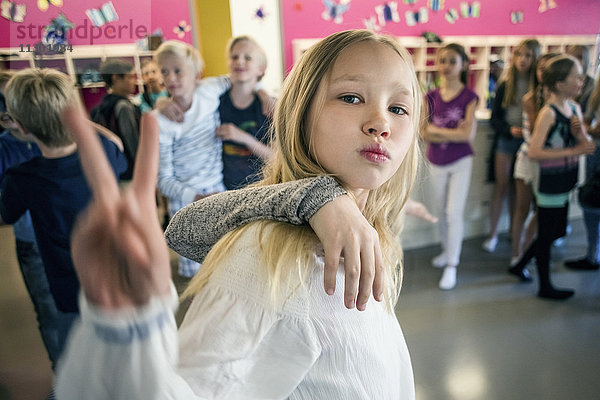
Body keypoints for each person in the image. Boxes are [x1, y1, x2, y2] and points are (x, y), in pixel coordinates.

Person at [56, 30, 424, 399]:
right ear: (300, 114)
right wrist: (128, 332)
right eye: (350, 97)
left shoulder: (371, 234)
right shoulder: (267, 261)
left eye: (399, 108)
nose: (381, 123)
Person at [0, 68, 127, 363]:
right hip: (114, 274)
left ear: (21, 126)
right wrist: (79, 122)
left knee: (74, 353)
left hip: (67, 288)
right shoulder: (104, 150)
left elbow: (6, 215)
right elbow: (118, 145)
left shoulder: (22, 179)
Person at [509, 55, 595, 299]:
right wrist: (575, 149)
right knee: (547, 234)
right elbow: (535, 151)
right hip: (548, 182)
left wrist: (580, 136)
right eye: (576, 77)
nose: (581, 81)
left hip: (565, 180)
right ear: (560, 84)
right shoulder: (549, 113)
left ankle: (519, 265)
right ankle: (545, 286)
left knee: (557, 231)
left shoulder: (575, 108)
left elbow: (586, 145)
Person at [153, 40, 233, 278]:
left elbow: (243, 77)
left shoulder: (209, 90)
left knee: (225, 260)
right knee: (196, 273)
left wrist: (261, 91)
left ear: (196, 75)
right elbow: (164, 180)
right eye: (165, 71)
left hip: (217, 187)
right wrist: (160, 102)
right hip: (185, 198)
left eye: (178, 70)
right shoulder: (161, 120)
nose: (171, 78)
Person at [421, 43, 478, 290]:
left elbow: (467, 136)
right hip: (436, 161)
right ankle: (447, 251)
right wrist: (449, 132)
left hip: (461, 161)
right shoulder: (430, 97)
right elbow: (423, 133)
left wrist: (437, 131)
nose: (446, 66)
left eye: (452, 61)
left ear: (463, 64)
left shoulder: (470, 97)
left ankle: (452, 265)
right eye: (442, 60)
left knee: (454, 213)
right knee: (440, 212)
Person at [483, 39, 541, 253]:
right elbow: (494, 119)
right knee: (501, 186)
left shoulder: (539, 87)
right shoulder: (506, 84)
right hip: (507, 140)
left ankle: (514, 233)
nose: (522, 60)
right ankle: (493, 234)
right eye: (519, 55)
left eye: (527, 56)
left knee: (520, 192)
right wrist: (508, 129)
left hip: (529, 143)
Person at [510, 52, 559, 270]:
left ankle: (528, 254)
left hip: (547, 164)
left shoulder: (561, 102)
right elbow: (538, 135)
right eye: (541, 69)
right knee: (522, 208)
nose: (543, 74)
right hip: (528, 159)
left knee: (540, 212)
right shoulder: (531, 99)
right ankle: (516, 254)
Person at [217, 35, 273, 189]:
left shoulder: (269, 107)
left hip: (260, 190)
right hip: (222, 191)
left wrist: (242, 137)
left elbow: (277, 158)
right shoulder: (216, 102)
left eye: (247, 58)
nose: (239, 61)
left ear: (261, 69)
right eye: (234, 57)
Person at [564, 72, 600, 270]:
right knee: (591, 201)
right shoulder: (596, 92)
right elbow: (586, 120)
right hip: (595, 151)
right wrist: (587, 129)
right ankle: (592, 253)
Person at [92, 59, 141, 180]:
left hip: (115, 170)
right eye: (130, 77)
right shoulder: (123, 107)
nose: (134, 81)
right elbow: (134, 144)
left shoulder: (101, 107)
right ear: (116, 78)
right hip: (132, 173)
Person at [566, 45, 594, 113]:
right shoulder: (563, 81)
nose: (575, 60)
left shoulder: (592, 84)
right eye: (572, 56)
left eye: (580, 57)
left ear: (586, 60)